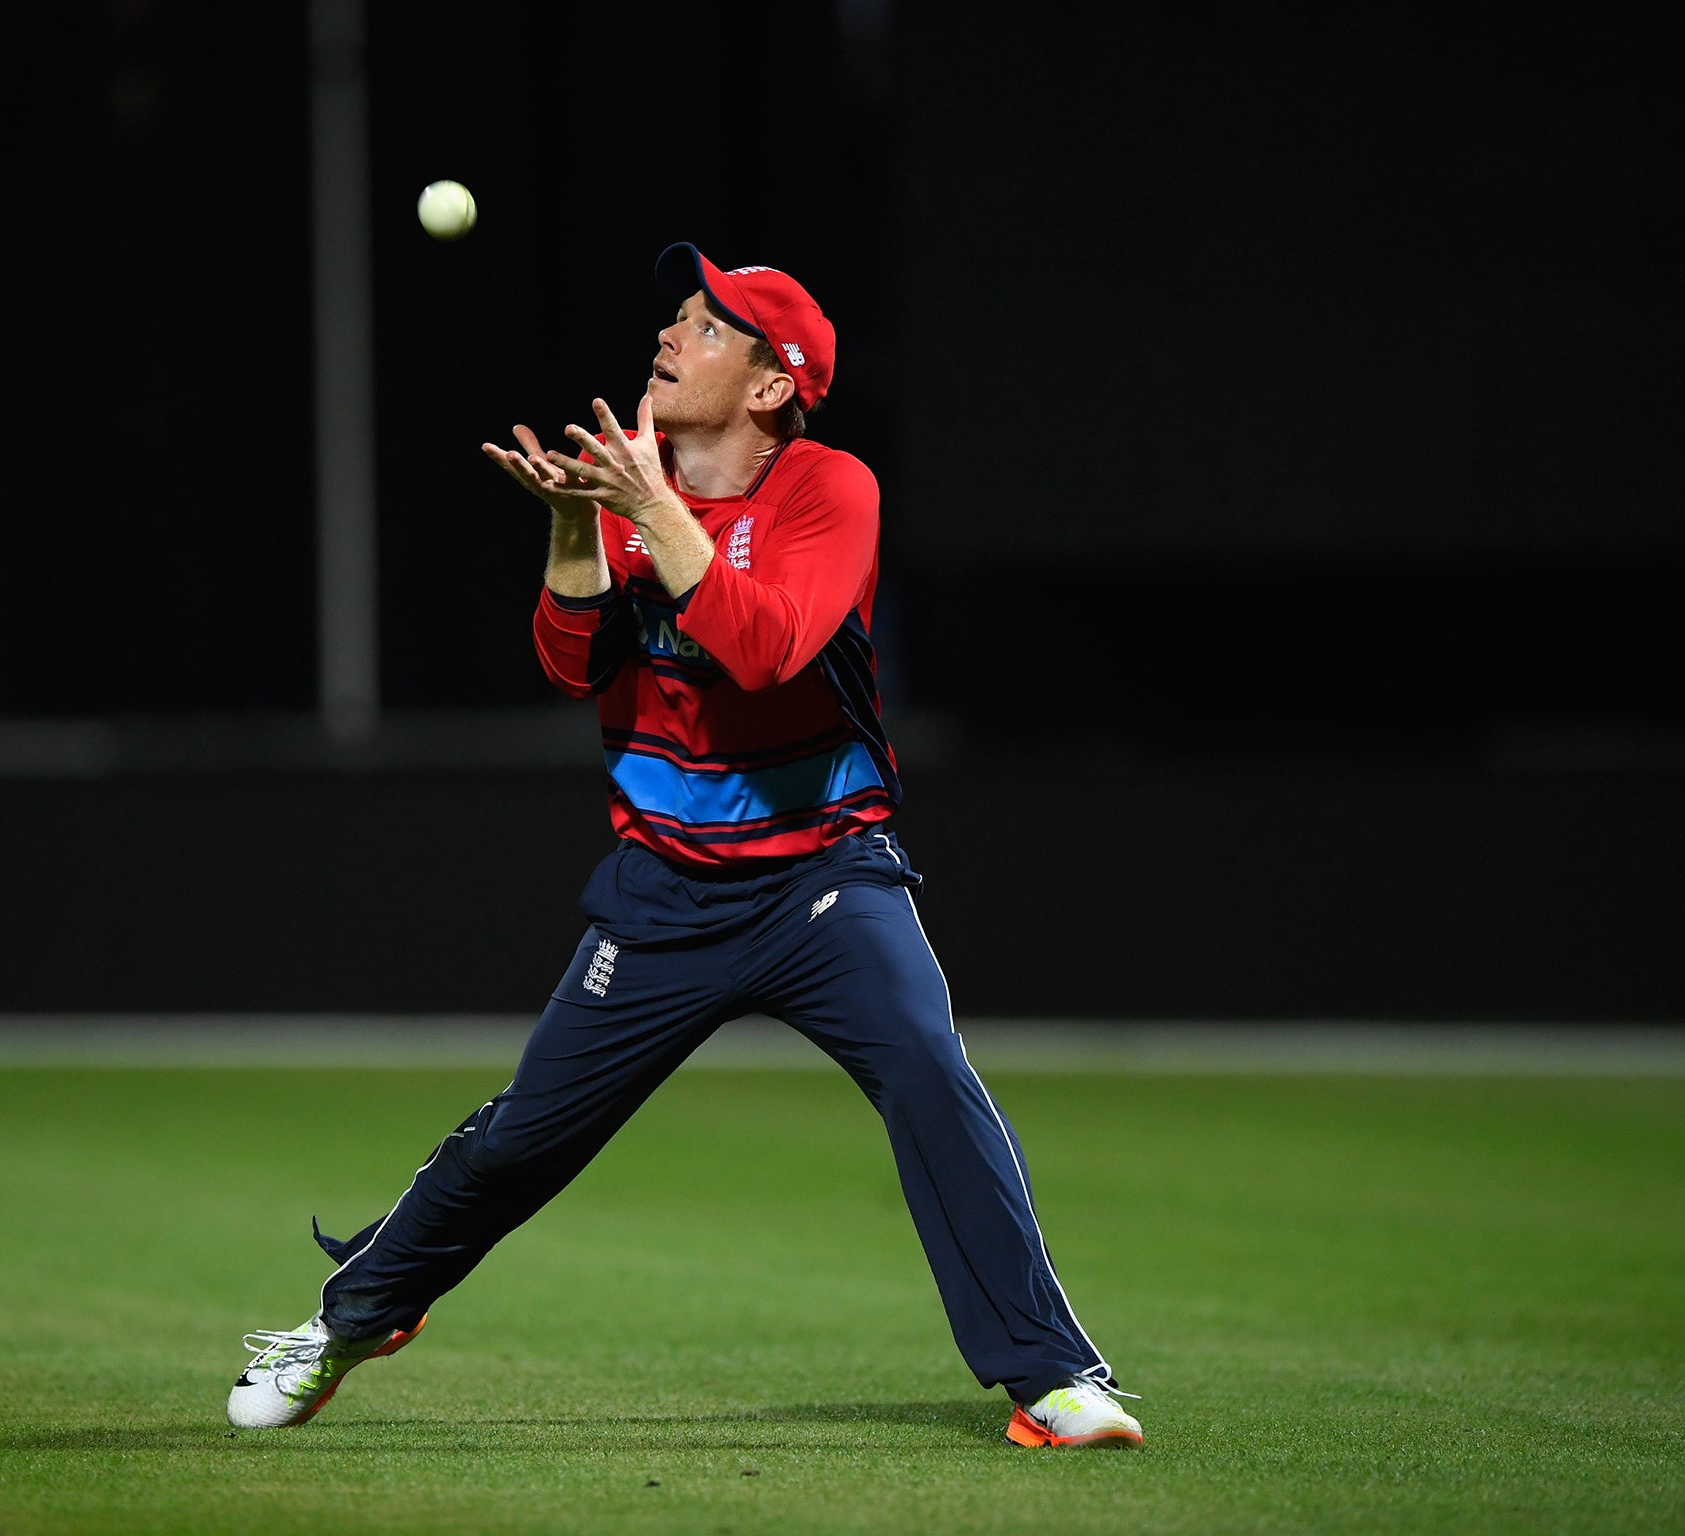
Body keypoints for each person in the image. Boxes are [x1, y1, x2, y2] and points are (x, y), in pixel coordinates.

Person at [226, 242, 1143, 1450]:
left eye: (707, 328)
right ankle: (346, 1327)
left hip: (824, 877)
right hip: (663, 896)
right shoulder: (624, 490)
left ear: (773, 385)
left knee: (928, 1070)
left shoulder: (827, 490)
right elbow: (571, 666)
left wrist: (642, 508)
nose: (670, 335)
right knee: (520, 1145)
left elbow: (765, 650)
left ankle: (1052, 1378)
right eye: (674, 318)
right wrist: (571, 528)